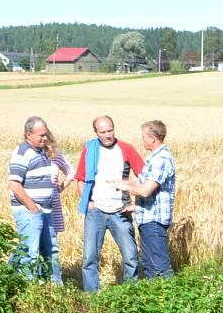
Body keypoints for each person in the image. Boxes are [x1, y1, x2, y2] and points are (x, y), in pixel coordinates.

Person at [73, 115, 144, 292]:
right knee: (90, 258)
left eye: (110, 130)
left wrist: (136, 204)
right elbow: (80, 179)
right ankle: (92, 296)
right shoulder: (90, 149)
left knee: (131, 257)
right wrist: (88, 202)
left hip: (120, 212)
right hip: (96, 211)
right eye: (103, 132)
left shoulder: (126, 149)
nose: (107, 135)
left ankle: (130, 294)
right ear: (96, 133)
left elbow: (145, 178)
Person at [120, 120, 176, 279]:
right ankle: (156, 298)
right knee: (150, 267)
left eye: (144, 136)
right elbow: (149, 189)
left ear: (152, 138)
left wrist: (123, 186)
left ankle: (170, 299)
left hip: (154, 221)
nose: (142, 139)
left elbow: (145, 190)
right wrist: (135, 206)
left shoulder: (161, 160)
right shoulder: (154, 158)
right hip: (147, 217)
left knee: (160, 267)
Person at [7, 115, 57, 279]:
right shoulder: (22, 153)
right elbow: (15, 185)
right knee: (31, 252)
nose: (45, 138)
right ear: (29, 134)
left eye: (45, 134)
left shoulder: (41, 152)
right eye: (41, 135)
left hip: (46, 210)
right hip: (30, 212)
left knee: (47, 249)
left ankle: (49, 284)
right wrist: (33, 208)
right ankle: (26, 286)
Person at [42, 129, 73, 285]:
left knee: (52, 241)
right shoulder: (32, 155)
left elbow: (71, 172)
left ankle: (55, 281)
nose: (44, 142)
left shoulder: (56, 156)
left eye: (46, 139)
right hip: (35, 203)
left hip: (53, 201)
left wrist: (61, 187)